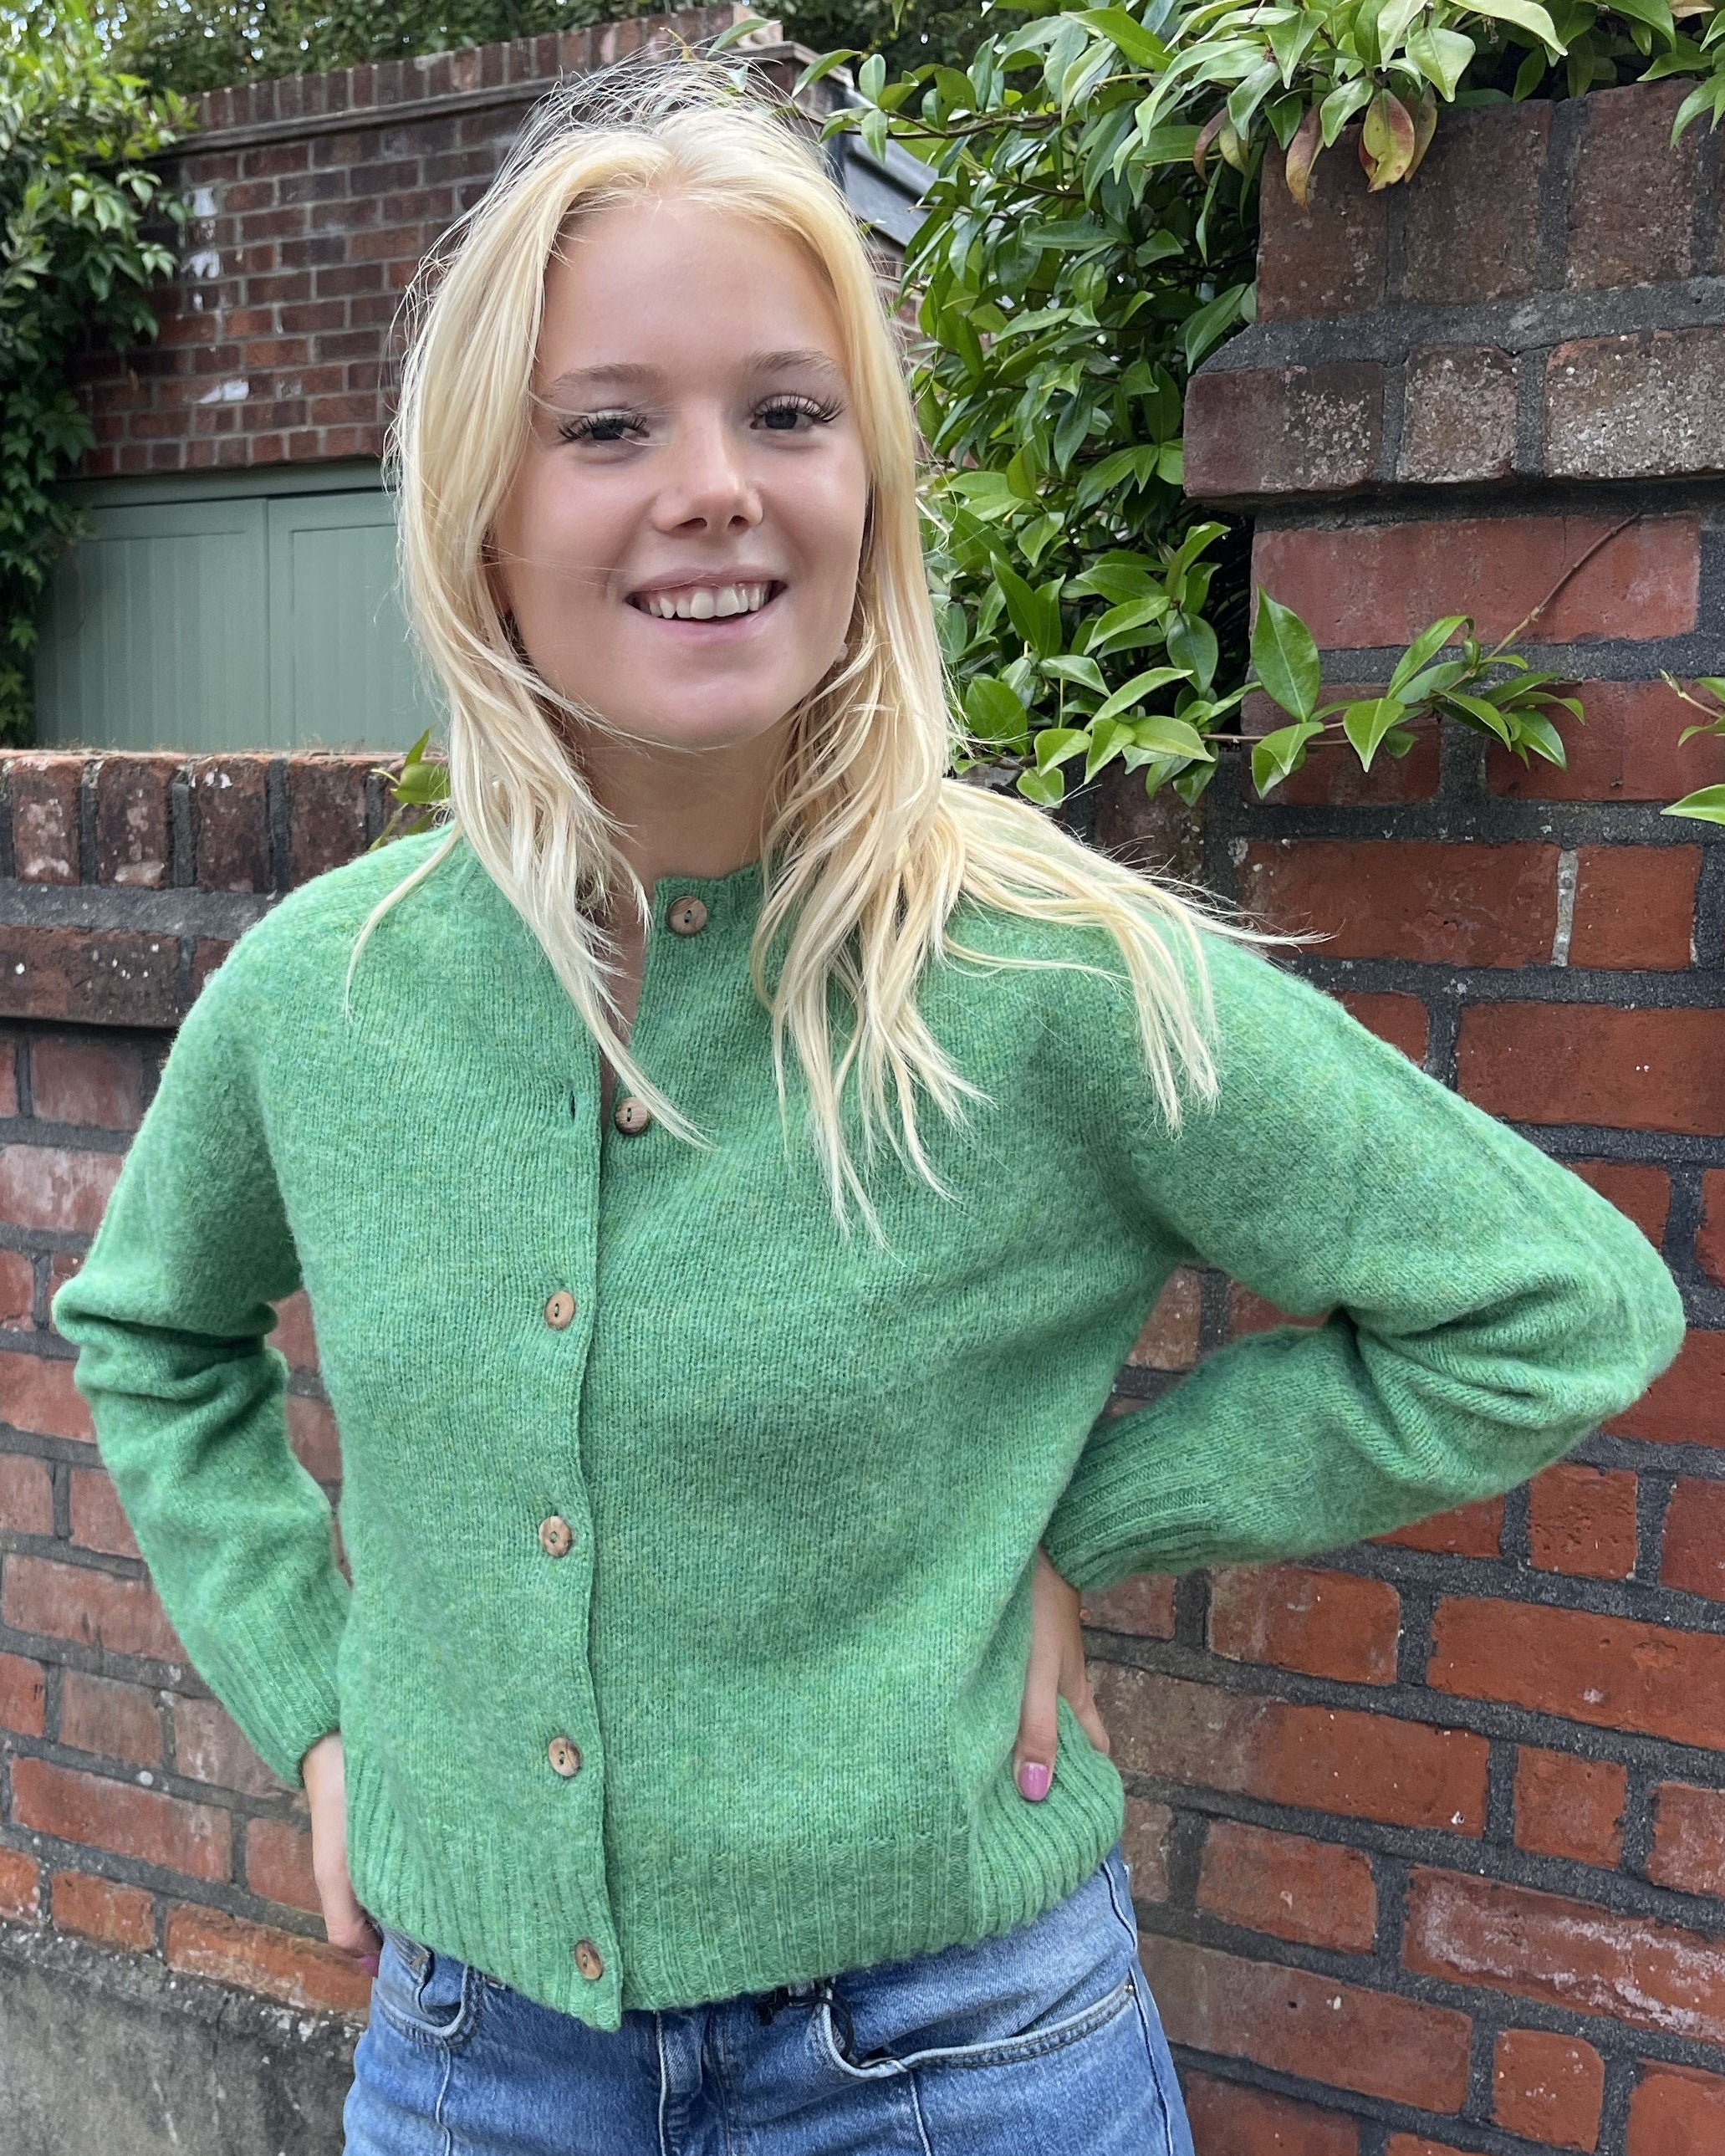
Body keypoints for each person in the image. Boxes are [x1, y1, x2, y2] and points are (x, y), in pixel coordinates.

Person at [51, 54, 1686, 2156]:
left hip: (962, 2065)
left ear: (871, 487)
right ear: (483, 500)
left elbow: (1557, 1301)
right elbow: (150, 1329)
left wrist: (1085, 1531)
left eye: (789, 411)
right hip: (469, 2065)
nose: (714, 483)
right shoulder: (327, 995)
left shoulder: (1049, 972)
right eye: (610, 423)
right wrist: (319, 1704)